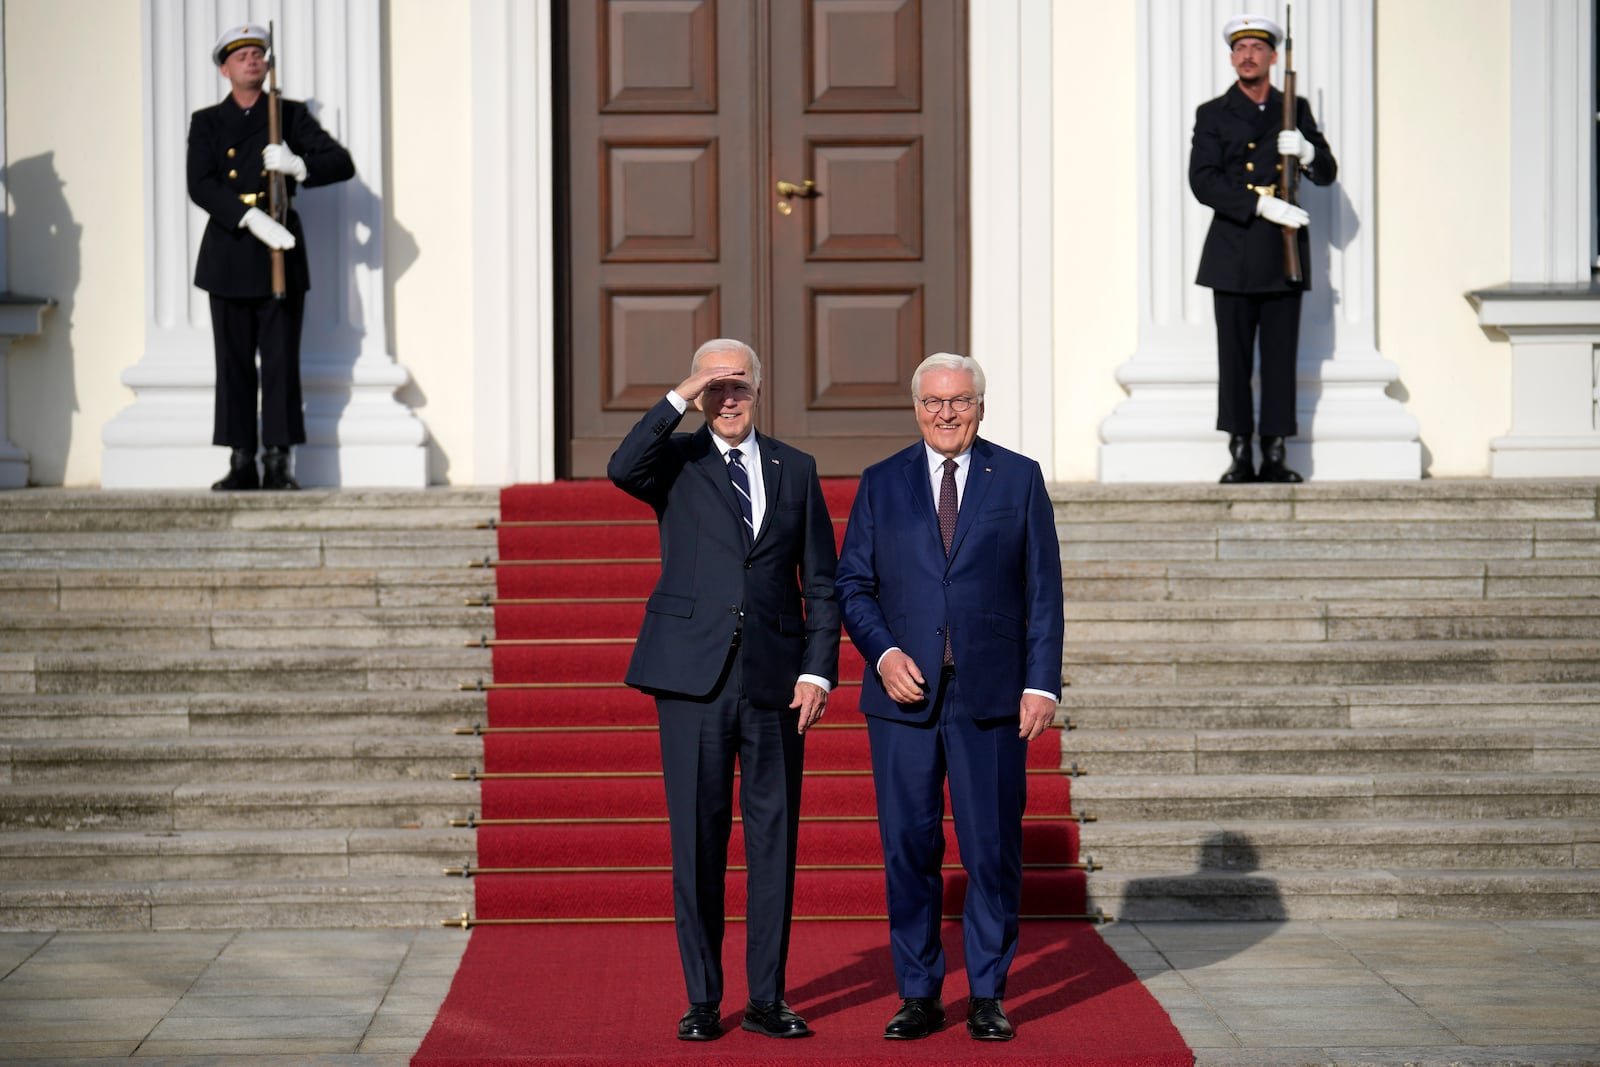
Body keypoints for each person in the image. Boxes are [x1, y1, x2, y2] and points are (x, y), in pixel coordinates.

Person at [607, 338, 840, 1042]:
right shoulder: (675, 461)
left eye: (738, 384)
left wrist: (817, 668)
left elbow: (821, 581)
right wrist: (681, 393)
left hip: (774, 683)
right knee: (699, 842)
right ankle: (704, 999)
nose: (728, 398)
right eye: (716, 387)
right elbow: (621, 466)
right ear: (701, 393)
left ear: (760, 389)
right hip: (691, 680)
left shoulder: (795, 469)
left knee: (775, 845)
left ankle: (767, 997)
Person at [835, 352, 1064, 1042]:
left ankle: (988, 992)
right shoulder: (881, 482)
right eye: (933, 402)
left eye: (959, 400)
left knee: (990, 849)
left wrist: (1041, 679)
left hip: (991, 696)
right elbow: (853, 584)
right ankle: (918, 992)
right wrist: (883, 651)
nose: (945, 413)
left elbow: (1043, 590)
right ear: (915, 408)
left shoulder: (1018, 478)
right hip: (903, 698)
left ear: (981, 405)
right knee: (908, 847)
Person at [188, 24, 354, 491]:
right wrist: (247, 218)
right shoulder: (207, 122)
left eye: (258, 53)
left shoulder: (289, 115)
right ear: (225, 68)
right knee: (233, 361)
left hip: (279, 250)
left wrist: (300, 165)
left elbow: (341, 163)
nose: (252, 60)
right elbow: (200, 183)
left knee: (280, 360)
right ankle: (242, 460)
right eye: (241, 56)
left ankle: (278, 459)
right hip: (231, 249)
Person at [1190, 13, 1337, 484]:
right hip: (1232, 250)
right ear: (1232, 57)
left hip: (1281, 252)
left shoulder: (1294, 108)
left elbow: (1328, 170)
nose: (1247, 56)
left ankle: (1275, 453)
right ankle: (1240, 452)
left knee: (1279, 356)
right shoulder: (1212, 113)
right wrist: (1260, 205)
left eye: (1256, 48)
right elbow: (1203, 180)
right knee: (1233, 359)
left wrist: (1310, 153)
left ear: (1273, 57)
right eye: (1239, 48)